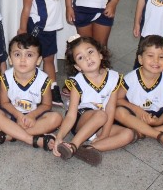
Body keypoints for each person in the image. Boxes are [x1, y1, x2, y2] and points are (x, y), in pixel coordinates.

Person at [53, 36, 133, 166]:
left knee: (128, 134)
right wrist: (59, 137)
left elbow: (111, 108)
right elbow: (71, 115)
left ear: (100, 54)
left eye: (90, 52)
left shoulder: (113, 78)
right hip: (82, 120)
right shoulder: (77, 82)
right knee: (101, 115)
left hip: (102, 122)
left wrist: (105, 134)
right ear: (78, 67)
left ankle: (85, 149)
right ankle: (74, 145)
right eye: (80, 57)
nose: (87, 58)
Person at [0, 34, 62, 149]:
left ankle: (10, 134)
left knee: (56, 118)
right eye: (17, 54)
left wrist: (32, 115)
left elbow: (47, 105)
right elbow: (4, 103)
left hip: (34, 116)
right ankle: (32, 139)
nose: (23, 59)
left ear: (38, 60)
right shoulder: (6, 77)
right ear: (10, 59)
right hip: (12, 114)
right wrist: (18, 116)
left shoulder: (44, 79)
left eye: (29, 55)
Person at [116, 35, 163, 152]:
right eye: (150, 56)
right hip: (135, 113)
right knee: (118, 112)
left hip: (157, 115)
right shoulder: (131, 78)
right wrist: (137, 110)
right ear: (140, 59)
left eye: (161, 57)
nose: (156, 61)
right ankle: (157, 134)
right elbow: (118, 99)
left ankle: (142, 132)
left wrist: (159, 121)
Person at [19, 0, 64, 106]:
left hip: (50, 28)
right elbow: (26, 9)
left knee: (49, 58)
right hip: (38, 28)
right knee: (33, 59)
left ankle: (52, 87)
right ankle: (29, 88)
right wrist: (23, 30)